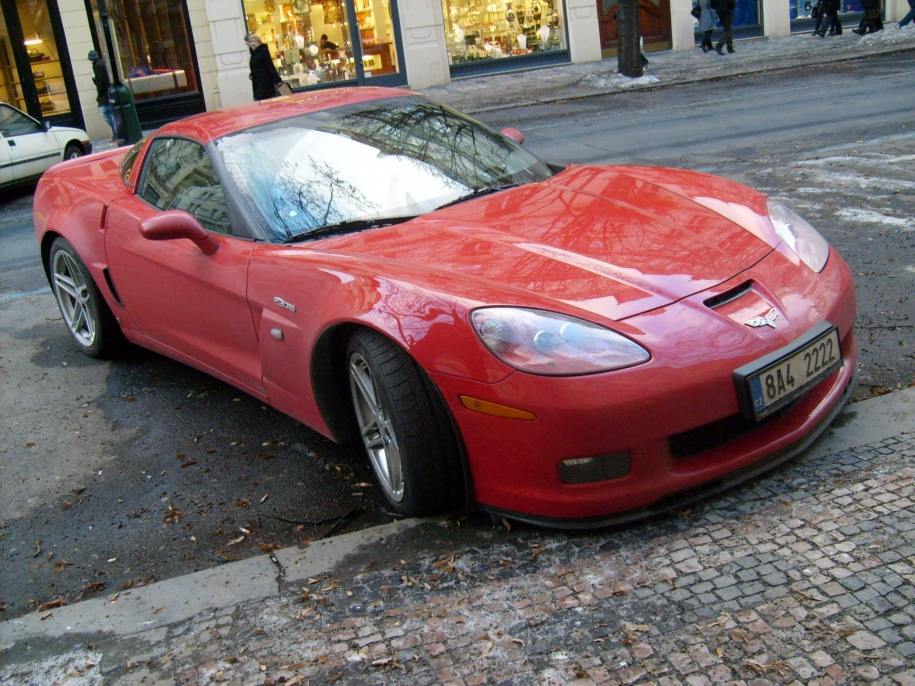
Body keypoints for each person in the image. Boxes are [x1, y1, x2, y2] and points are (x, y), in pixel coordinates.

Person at [246, 33, 282, 100]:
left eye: (254, 41)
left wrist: (277, 80)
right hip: (257, 82)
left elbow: (270, 66)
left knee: (265, 100)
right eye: (251, 42)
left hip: (265, 82)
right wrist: (252, 74)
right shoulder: (254, 53)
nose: (252, 43)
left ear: (259, 42)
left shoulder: (263, 52)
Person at [88, 49, 114, 141]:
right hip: (107, 93)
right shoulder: (102, 63)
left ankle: (117, 132)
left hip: (104, 95)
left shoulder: (98, 66)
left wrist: (95, 81)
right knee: (110, 113)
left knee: (105, 113)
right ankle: (116, 133)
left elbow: (102, 81)